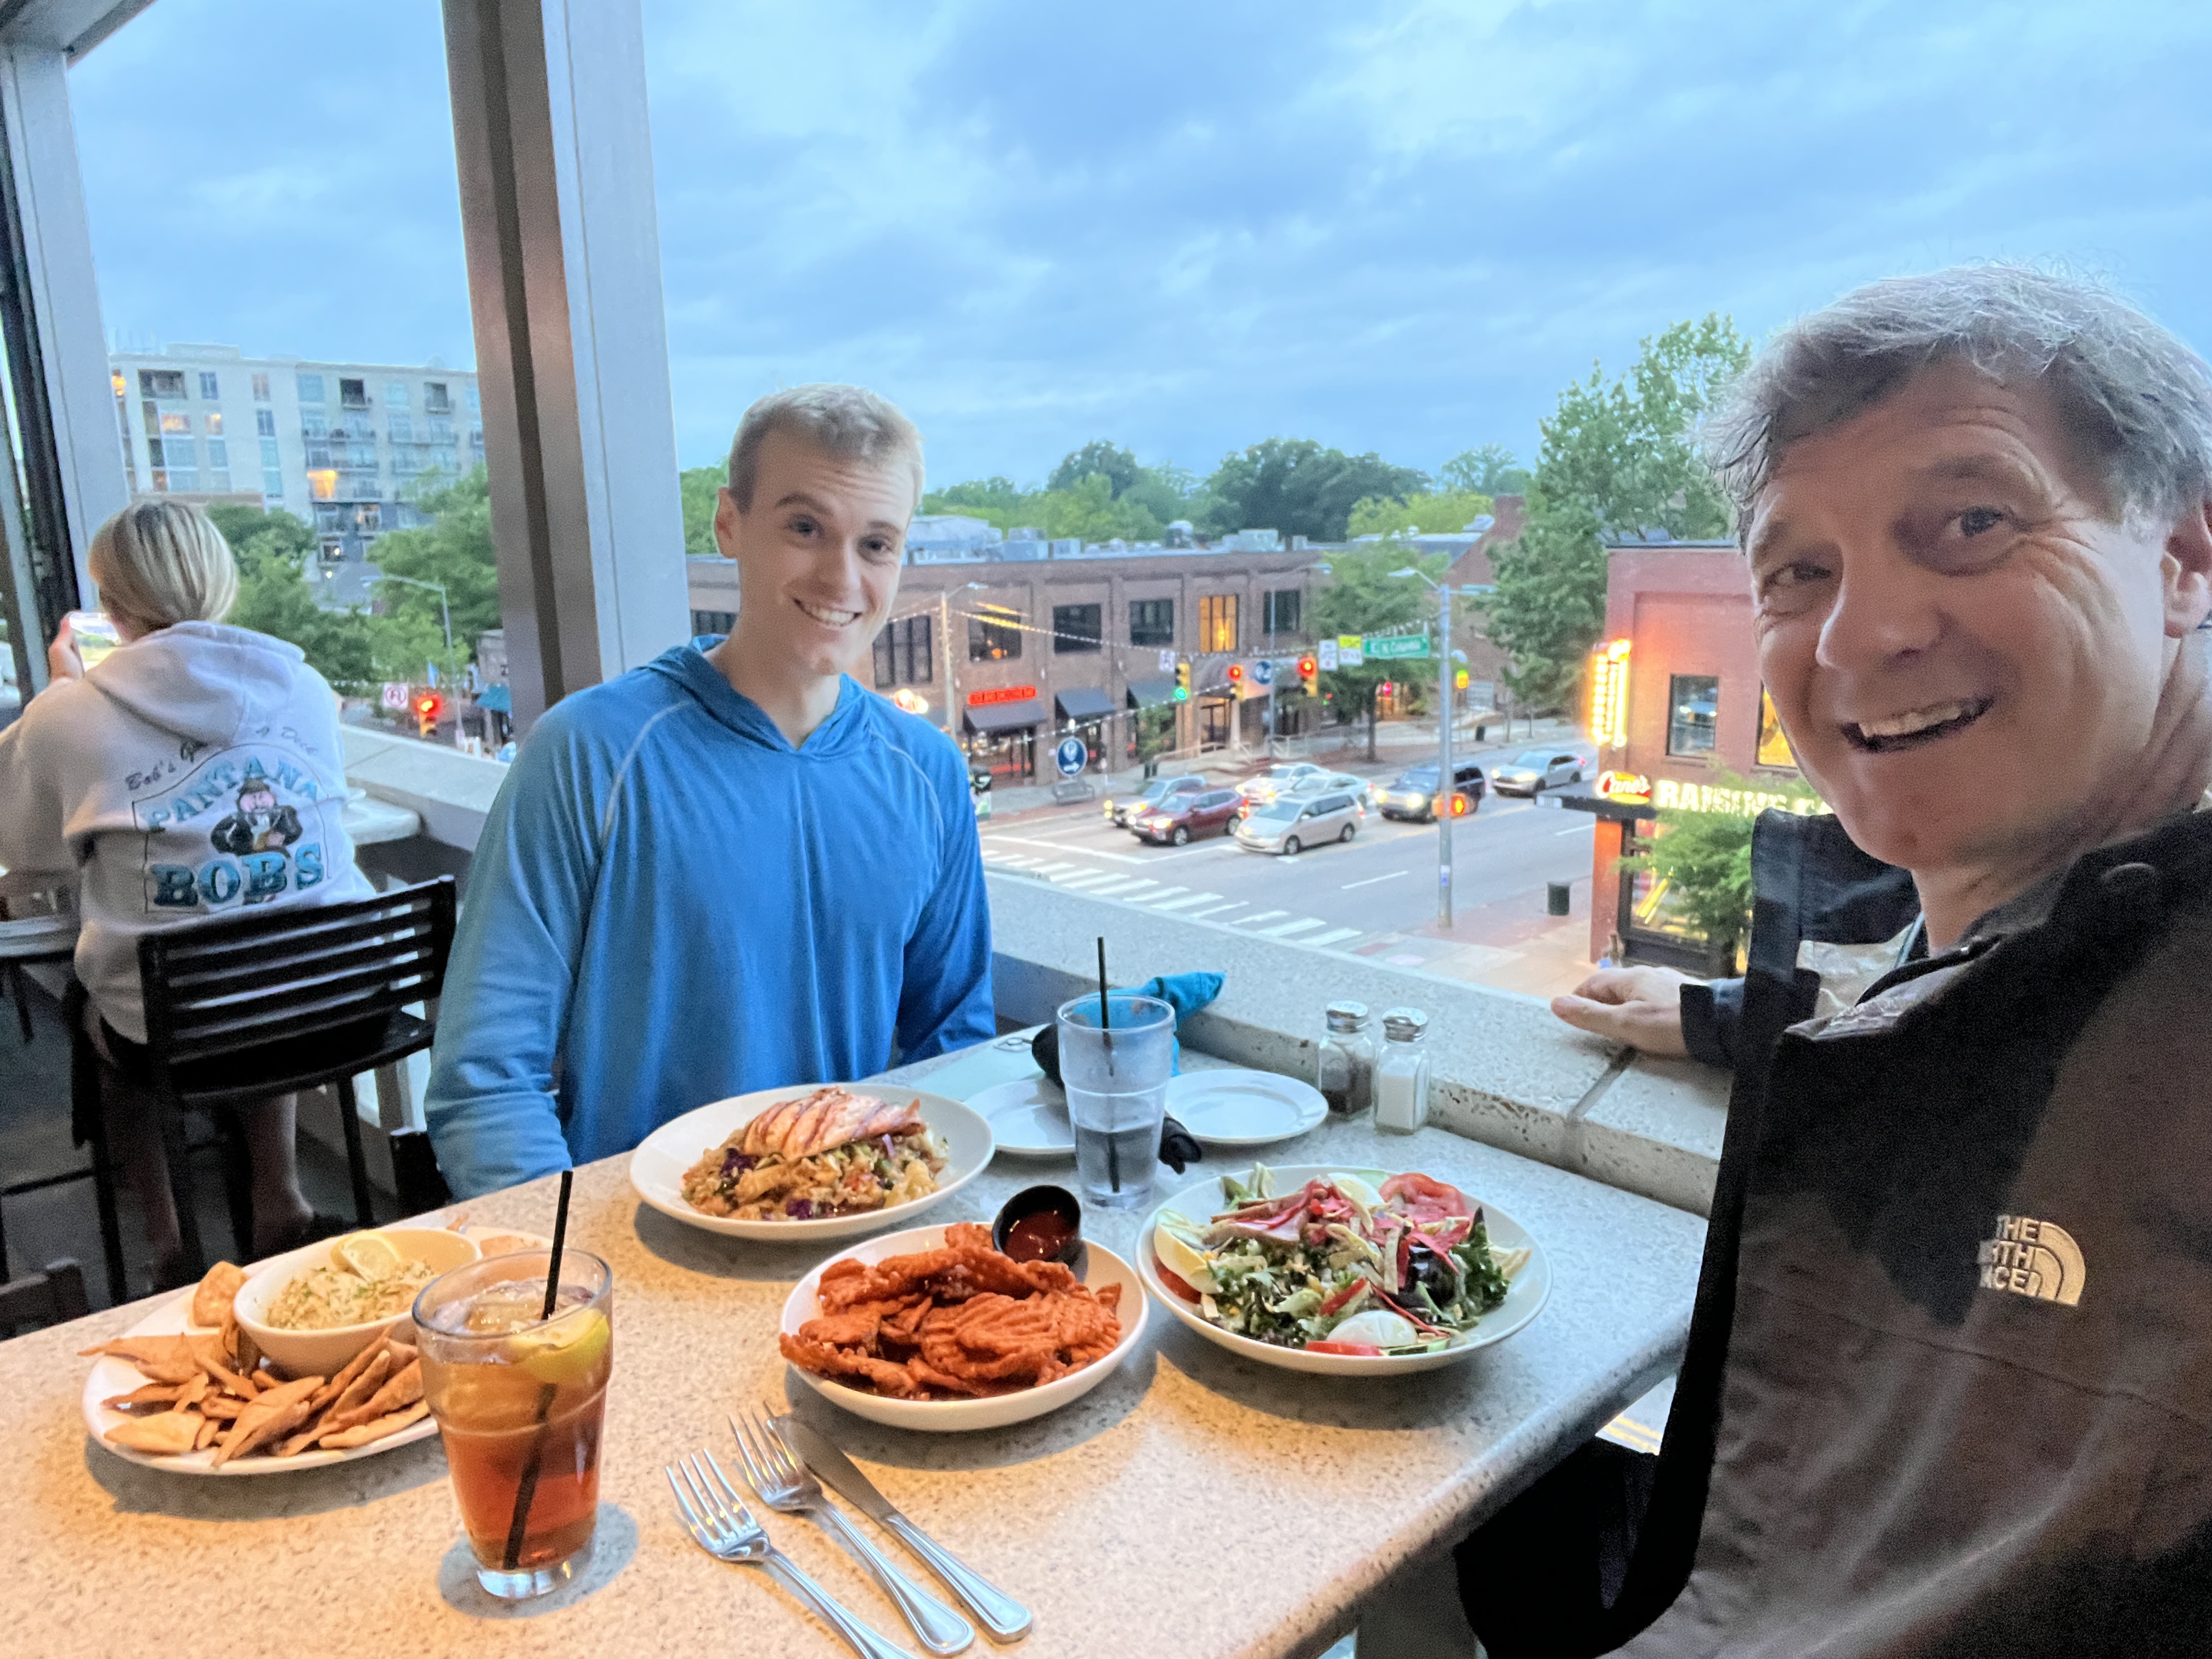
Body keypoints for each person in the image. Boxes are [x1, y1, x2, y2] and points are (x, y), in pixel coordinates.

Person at [1464, 264, 2212, 1655]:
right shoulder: (1976, 908)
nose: (1863, 634)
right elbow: (1984, 1003)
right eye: (1799, 571)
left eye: (1973, 522)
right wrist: (1716, 1014)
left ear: (2182, 559)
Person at [424, 384, 993, 1198]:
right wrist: (579, 1284)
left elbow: (955, 1045)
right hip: (635, 1249)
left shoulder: (927, 771)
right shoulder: (590, 752)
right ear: (730, 523)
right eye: (805, 528)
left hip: (856, 1253)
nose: (841, 576)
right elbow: (485, 1080)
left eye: (876, 545)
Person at [0, 501, 374, 1286]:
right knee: (257, 957)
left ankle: (170, 1244)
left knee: (104, 1013)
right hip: (343, 1009)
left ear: (110, 604)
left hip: (175, 1033)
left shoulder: (69, 714)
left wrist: (64, 695)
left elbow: (28, 855)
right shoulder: (304, 685)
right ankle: (280, 1199)